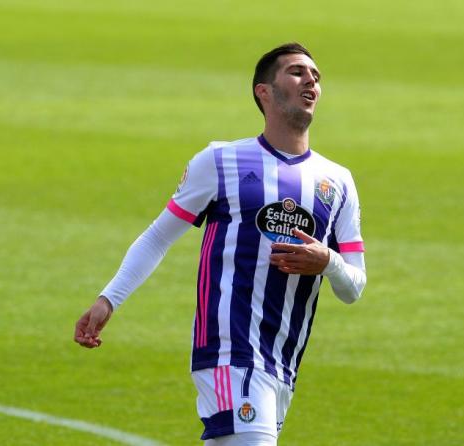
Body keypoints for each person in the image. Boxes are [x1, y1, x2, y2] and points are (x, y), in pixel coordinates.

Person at [74, 42, 366, 446]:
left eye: (316, 76)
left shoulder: (338, 182)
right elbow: (159, 235)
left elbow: (354, 286)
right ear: (264, 91)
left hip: (282, 364)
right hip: (230, 355)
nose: (311, 81)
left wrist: (328, 261)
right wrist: (109, 299)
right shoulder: (220, 162)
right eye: (297, 72)